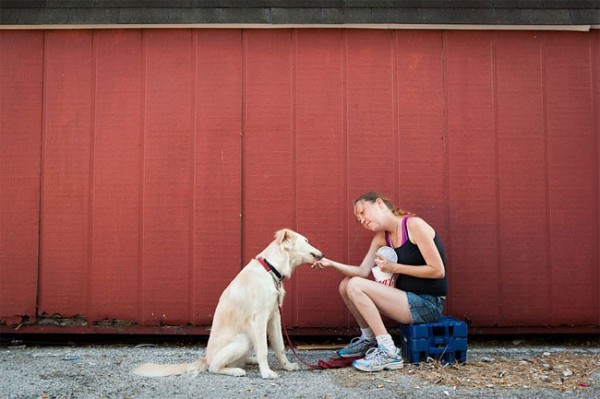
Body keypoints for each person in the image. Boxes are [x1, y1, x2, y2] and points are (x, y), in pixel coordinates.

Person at [312, 192, 447, 372]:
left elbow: (438, 271)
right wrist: (330, 263)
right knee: (347, 284)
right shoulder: (382, 237)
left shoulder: (414, 225)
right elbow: (362, 271)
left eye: (362, 212)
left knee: (355, 285)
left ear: (379, 204)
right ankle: (369, 340)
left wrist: (394, 267)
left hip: (428, 303)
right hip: (406, 300)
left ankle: (389, 352)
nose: (361, 220)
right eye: (358, 218)